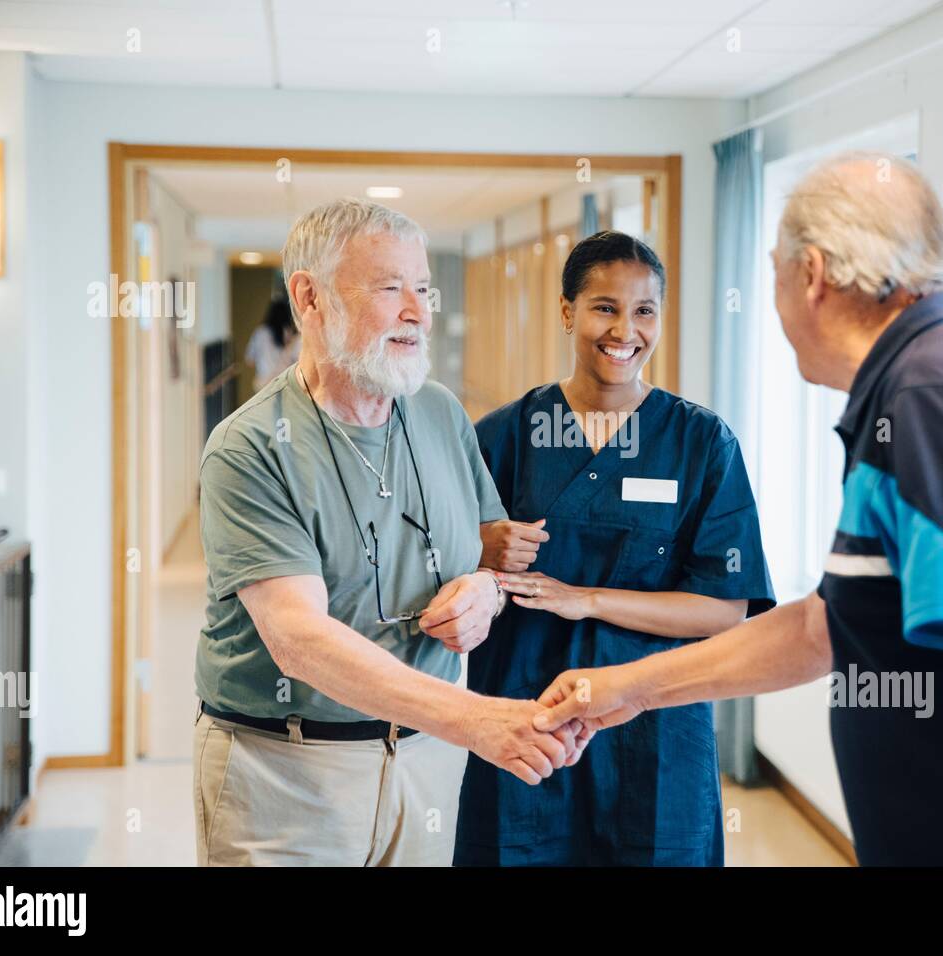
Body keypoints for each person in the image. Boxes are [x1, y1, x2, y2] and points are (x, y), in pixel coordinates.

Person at [532, 154, 943, 867]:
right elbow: (828, 625)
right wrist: (628, 688)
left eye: (774, 271)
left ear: (813, 274)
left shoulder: (930, 393)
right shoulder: (926, 381)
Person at [193, 199, 588, 867]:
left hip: (426, 761)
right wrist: (478, 718)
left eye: (424, 288)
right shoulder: (250, 447)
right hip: (288, 771)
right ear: (309, 298)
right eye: (390, 287)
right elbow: (299, 642)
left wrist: (485, 592)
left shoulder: (440, 413)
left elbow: (489, 556)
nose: (419, 311)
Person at [454, 231, 775, 866]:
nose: (624, 329)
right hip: (528, 718)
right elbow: (439, 576)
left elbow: (725, 609)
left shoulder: (701, 444)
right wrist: (481, 551)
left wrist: (587, 599)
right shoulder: (504, 437)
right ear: (568, 312)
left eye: (644, 310)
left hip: (654, 727)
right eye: (604, 307)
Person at [244, 294, 302, 392]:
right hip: (284, 384)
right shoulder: (291, 335)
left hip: (263, 385)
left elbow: (249, 361)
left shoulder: (260, 333)